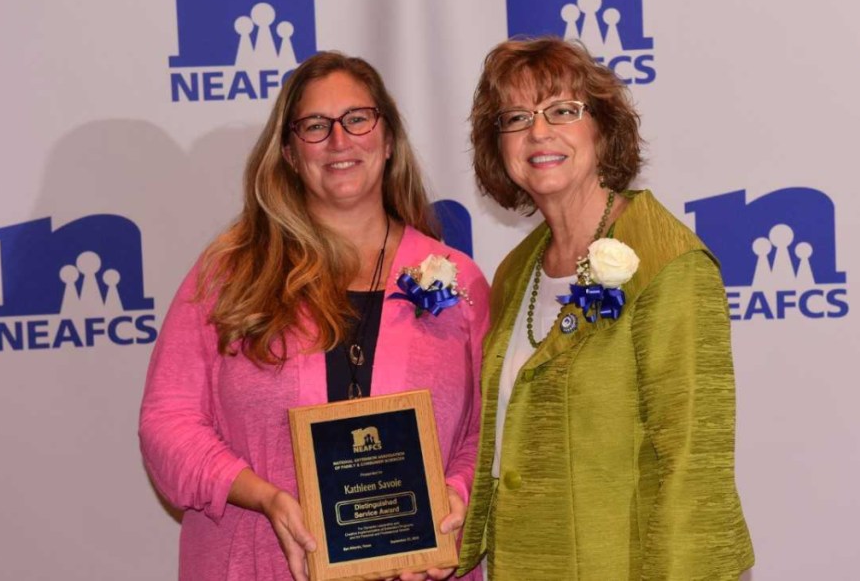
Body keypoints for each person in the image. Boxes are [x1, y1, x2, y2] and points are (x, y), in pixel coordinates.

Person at [139, 52, 489, 581]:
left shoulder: (457, 278)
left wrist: (457, 499)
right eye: (314, 126)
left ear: (388, 139)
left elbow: (488, 434)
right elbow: (167, 423)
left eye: (357, 119)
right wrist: (264, 497)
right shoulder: (230, 274)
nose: (339, 140)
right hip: (258, 564)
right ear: (288, 152)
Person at [457, 38, 753, 580]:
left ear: (603, 127)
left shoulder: (668, 261)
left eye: (563, 111)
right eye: (516, 117)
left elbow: (693, 463)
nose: (538, 132)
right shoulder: (515, 269)